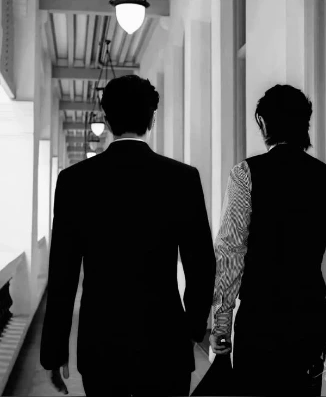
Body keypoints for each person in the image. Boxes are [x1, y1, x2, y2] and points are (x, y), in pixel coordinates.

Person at [40, 74, 216, 396]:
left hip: (101, 345)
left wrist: (54, 349)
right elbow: (202, 265)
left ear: (107, 121)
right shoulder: (182, 179)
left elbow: (63, 274)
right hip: (166, 343)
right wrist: (192, 330)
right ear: (152, 118)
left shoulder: (74, 182)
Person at [209, 84, 326, 395]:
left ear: (263, 122)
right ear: (304, 125)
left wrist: (222, 322)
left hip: (259, 319)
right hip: (309, 320)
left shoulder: (246, 174)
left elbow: (230, 251)